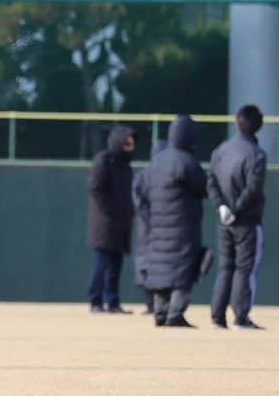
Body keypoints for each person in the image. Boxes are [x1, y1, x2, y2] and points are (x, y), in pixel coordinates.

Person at [142, 115, 207, 328]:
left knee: (161, 268)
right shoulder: (186, 161)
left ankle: (160, 312)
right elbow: (202, 186)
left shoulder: (156, 161)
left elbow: (143, 191)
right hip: (182, 225)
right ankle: (175, 313)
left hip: (157, 225)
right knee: (182, 270)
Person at [207, 104, 268, 330]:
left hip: (224, 221)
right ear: (257, 125)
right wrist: (235, 210)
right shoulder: (257, 155)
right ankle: (241, 317)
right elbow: (253, 189)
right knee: (245, 268)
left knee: (225, 267)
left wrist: (221, 207)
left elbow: (211, 181)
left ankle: (217, 316)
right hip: (246, 221)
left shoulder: (220, 151)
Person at [86, 125, 137, 314]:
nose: (131, 147)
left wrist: (128, 211)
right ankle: (95, 302)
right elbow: (95, 188)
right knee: (101, 263)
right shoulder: (103, 160)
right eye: (127, 143)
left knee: (116, 265)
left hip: (122, 223)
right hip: (105, 224)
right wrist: (110, 211)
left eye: (132, 143)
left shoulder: (126, 166)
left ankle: (113, 302)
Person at [132, 138, 167, 314]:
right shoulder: (164, 175)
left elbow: (137, 200)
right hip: (160, 226)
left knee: (147, 264)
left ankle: (152, 305)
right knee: (157, 263)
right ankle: (155, 304)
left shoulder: (142, 175)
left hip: (148, 225)